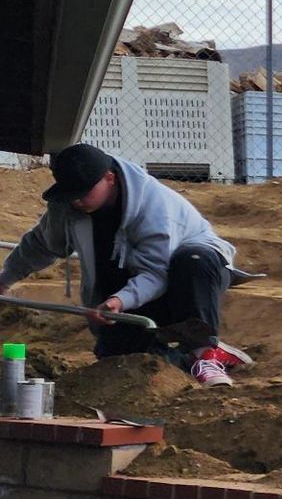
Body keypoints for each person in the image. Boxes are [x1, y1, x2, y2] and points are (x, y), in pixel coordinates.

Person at [0, 143, 243, 386]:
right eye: (71, 195)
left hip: (190, 276)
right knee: (119, 360)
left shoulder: (154, 206)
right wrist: (5, 278)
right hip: (134, 287)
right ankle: (187, 362)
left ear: (109, 178)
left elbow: (156, 273)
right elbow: (41, 244)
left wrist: (121, 300)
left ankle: (206, 353)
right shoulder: (68, 204)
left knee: (192, 260)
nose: (77, 201)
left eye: (84, 192)